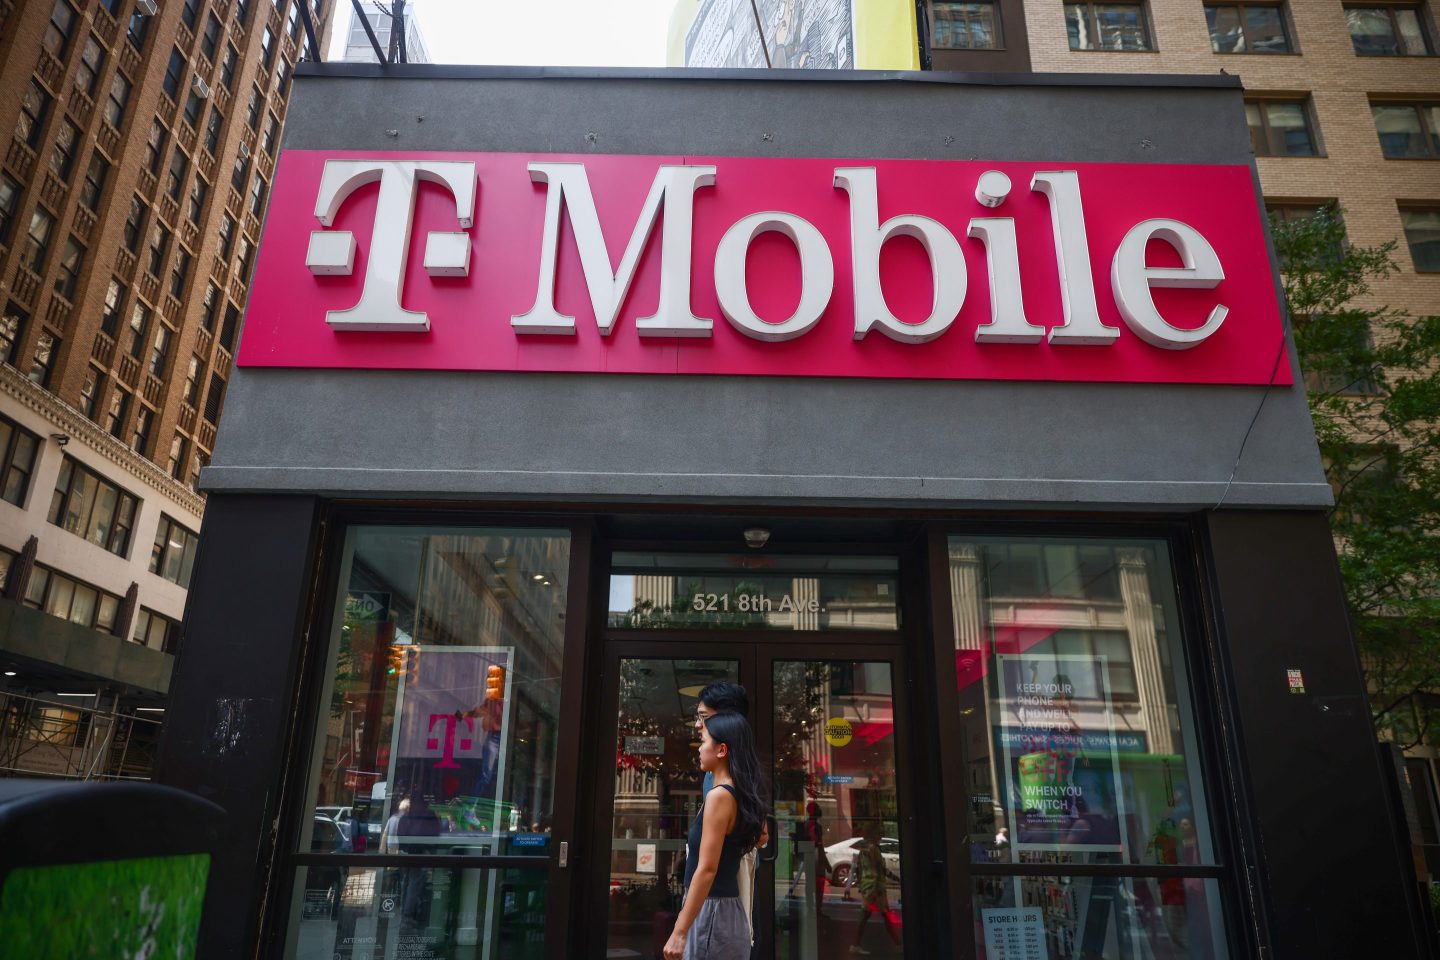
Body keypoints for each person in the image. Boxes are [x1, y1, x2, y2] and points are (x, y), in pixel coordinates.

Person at [664, 711, 768, 960]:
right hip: (720, 911)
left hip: (713, 912)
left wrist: (679, 932)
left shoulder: (720, 796)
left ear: (721, 749)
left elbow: (707, 869)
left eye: (703, 740)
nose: (699, 748)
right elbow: (761, 837)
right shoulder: (736, 792)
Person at [695, 681, 765, 934]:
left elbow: (761, 833)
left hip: (724, 887)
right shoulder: (724, 770)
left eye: (704, 717)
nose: (698, 724)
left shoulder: (729, 777)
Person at [849, 820, 901, 956]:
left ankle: (898, 943)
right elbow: (876, 870)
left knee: (875, 915)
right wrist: (873, 890)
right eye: (879, 833)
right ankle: (898, 944)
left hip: (870, 888)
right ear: (872, 834)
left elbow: (861, 870)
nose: (881, 836)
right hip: (875, 889)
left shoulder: (864, 847)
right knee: (883, 915)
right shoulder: (872, 849)